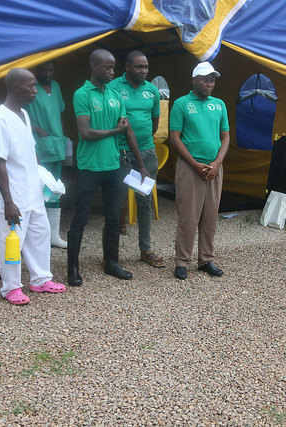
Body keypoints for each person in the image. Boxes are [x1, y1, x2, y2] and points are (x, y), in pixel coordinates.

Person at [0, 68, 66, 305]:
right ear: (15, 87)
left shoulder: (23, 115)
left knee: (40, 233)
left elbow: (28, 152)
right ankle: (11, 287)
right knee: (11, 242)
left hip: (31, 191)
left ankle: (40, 279)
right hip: (11, 195)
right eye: (31, 86)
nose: (35, 90)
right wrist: (8, 202)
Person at [68, 49, 149, 287]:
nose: (112, 72)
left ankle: (111, 262)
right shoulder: (82, 94)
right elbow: (86, 132)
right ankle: (73, 267)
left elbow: (129, 129)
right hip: (89, 167)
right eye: (107, 67)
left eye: (113, 67)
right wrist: (116, 131)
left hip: (114, 166)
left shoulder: (115, 95)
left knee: (114, 217)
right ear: (93, 66)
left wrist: (141, 165)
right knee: (80, 218)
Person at [169, 62, 229, 280]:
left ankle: (206, 260)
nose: (209, 83)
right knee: (188, 216)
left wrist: (217, 163)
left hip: (214, 168)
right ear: (194, 80)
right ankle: (182, 261)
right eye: (204, 79)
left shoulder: (219, 105)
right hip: (190, 167)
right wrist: (195, 164)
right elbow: (174, 137)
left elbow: (225, 137)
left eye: (212, 80)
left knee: (210, 216)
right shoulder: (181, 104)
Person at [108, 50, 164, 268]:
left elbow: (155, 123)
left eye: (146, 67)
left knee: (144, 200)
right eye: (139, 67)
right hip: (120, 152)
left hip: (146, 153)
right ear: (127, 67)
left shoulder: (152, 91)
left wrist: (142, 143)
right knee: (116, 200)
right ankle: (111, 255)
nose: (144, 71)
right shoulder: (113, 87)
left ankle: (146, 249)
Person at [24, 61, 69, 248]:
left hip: (56, 142)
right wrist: (39, 130)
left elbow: (58, 111)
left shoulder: (56, 87)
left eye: (51, 70)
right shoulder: (31, 90)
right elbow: (23, 113)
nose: (48, 73)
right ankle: (36, 236)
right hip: (39, 143)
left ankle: (53, 235)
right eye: (44, 70)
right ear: (36, 71)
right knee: (37, 189)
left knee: (55, 189)